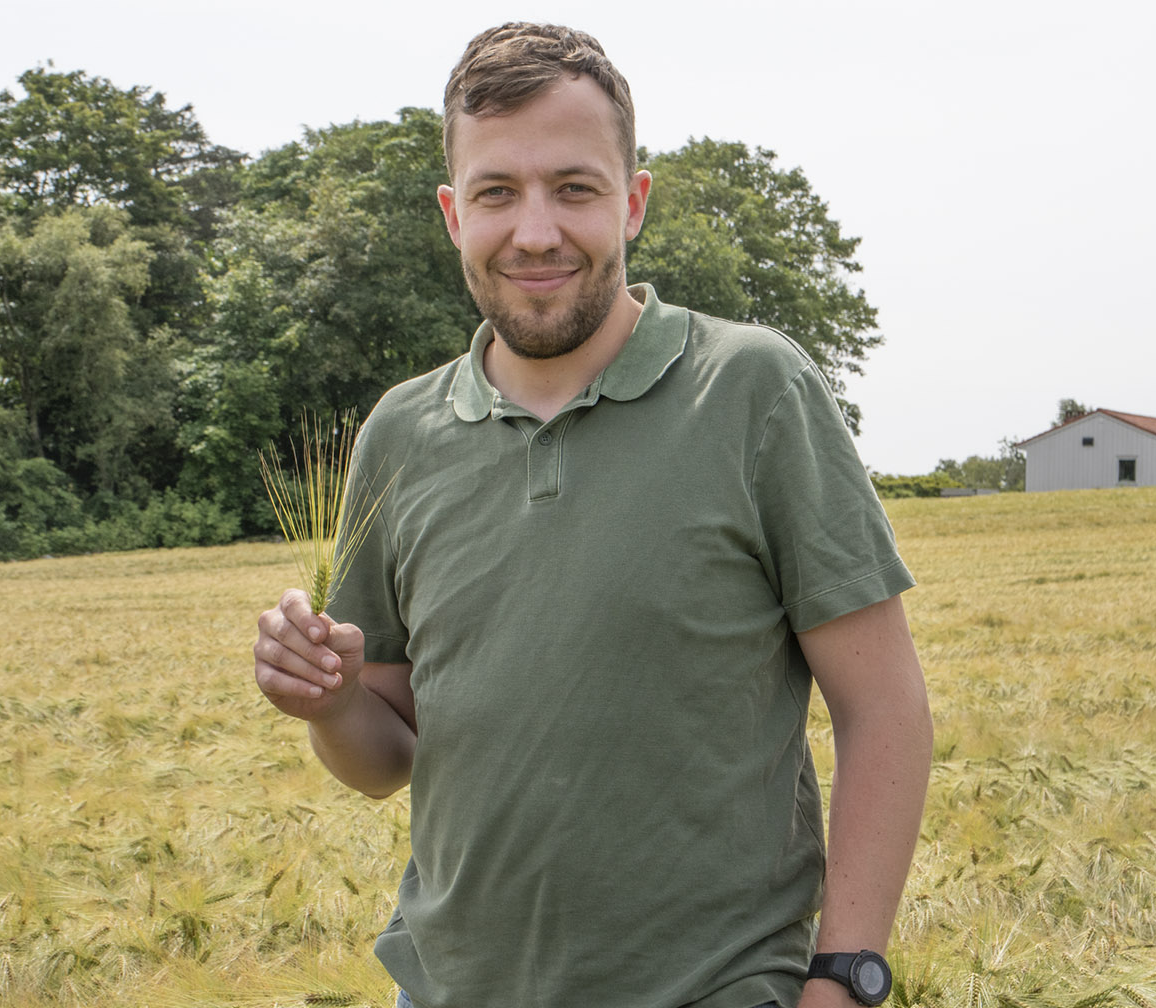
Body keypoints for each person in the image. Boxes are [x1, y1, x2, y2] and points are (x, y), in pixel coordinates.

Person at [252, 22, 932, 1008]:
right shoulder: (398, 436)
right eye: (497, 192)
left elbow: (886, 710)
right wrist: (329, 704)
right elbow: (386, 756)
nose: (535, 231)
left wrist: (846, 978)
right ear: (452, 213)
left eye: (574, 187)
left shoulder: (750, 391)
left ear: (633, 203)